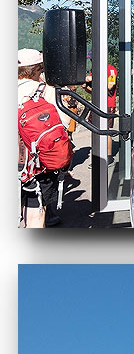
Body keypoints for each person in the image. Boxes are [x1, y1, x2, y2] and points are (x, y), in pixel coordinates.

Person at [18, 49, 74, 228]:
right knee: (35, 215)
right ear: (36, 69)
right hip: (36, 165)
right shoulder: (44, 90)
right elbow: (64, 123)